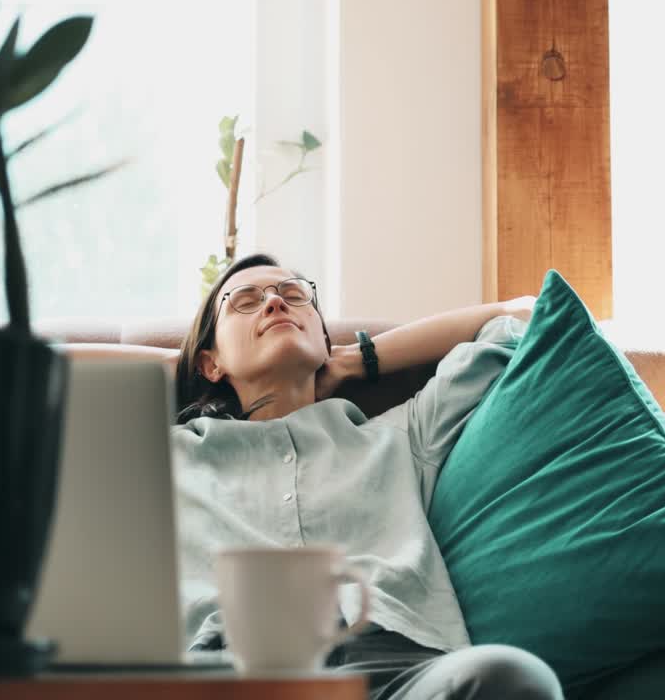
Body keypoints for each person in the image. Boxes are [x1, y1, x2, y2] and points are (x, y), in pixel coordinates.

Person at [171, 253, 560, 700]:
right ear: (210, 363)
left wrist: (357, 359)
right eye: (245, 301)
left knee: (512, 676)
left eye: (294, 294)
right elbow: (77, 391)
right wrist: (173, 369)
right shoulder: (168, 457)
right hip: (229, 671)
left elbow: (523, 316)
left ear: (321, 334)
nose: (275, 303)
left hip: (394, 668)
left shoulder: (403, 435)